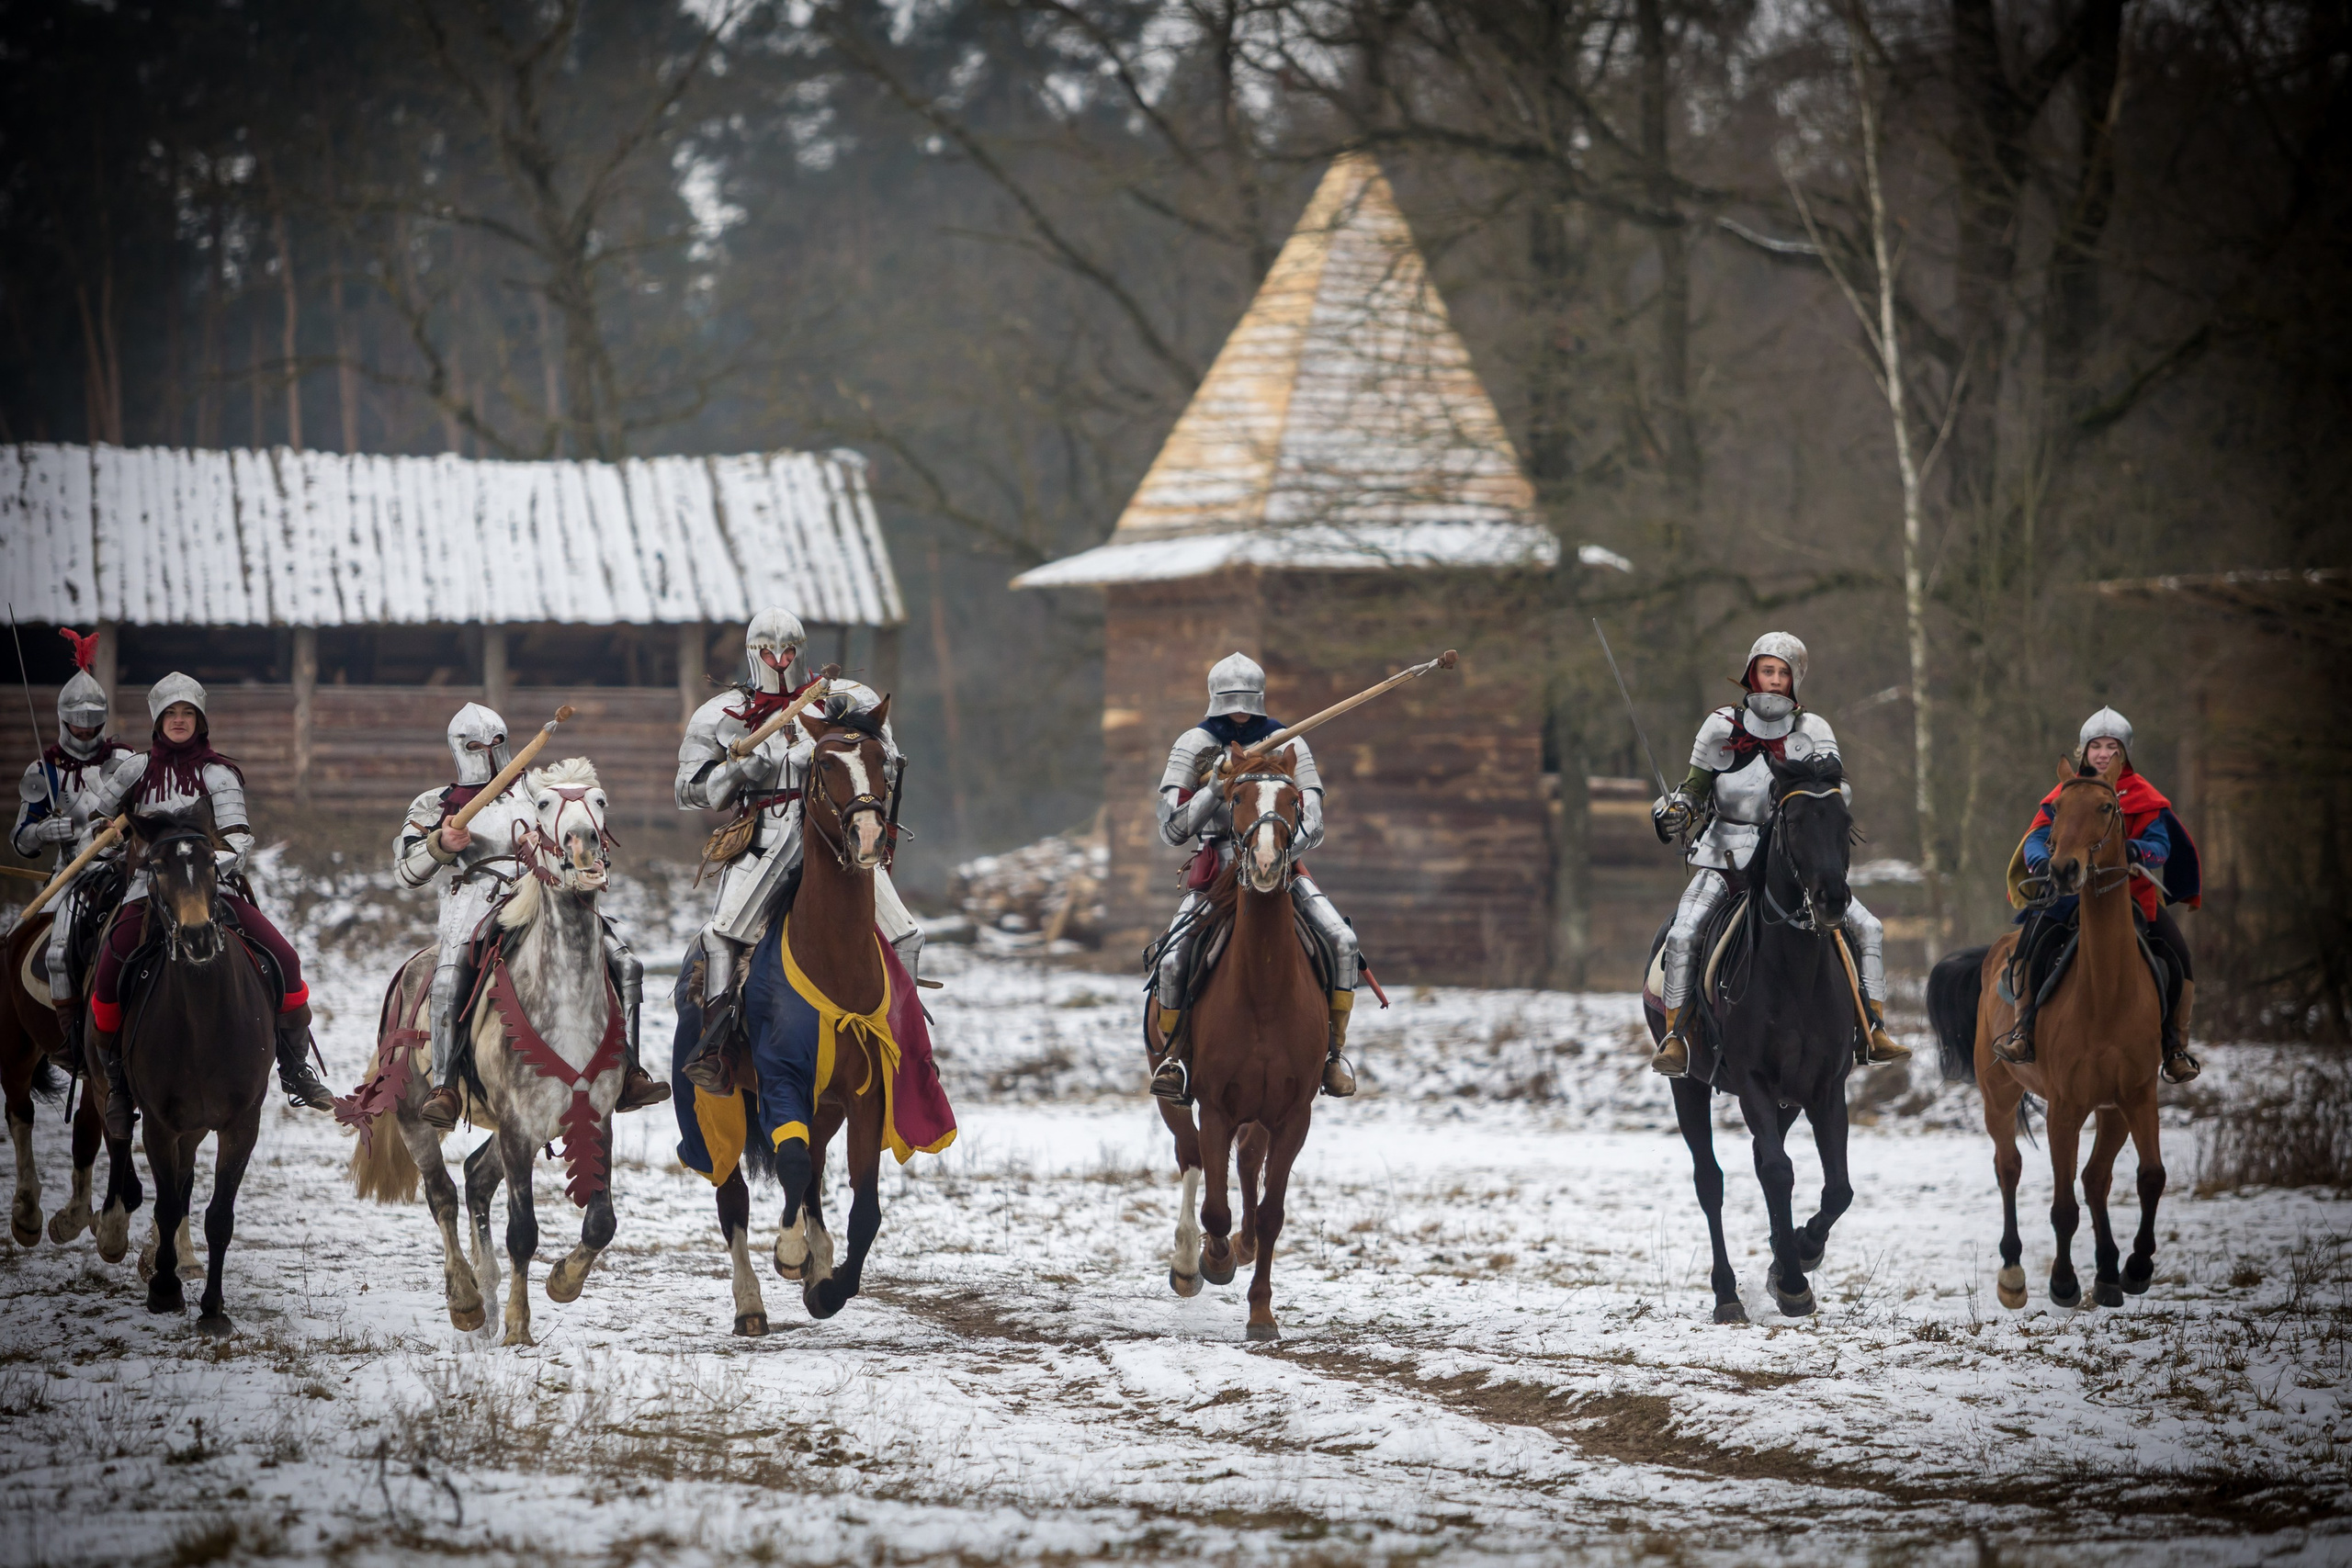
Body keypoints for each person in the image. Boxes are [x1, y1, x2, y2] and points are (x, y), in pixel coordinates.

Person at [673, 609, 920, 1094]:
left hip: (838, 837)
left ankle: (905, 1049)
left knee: (907, 936)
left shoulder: (849, 698)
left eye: (788, 651)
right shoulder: (720, 714)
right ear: (753, 654)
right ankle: (718, 1048)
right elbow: (689, 791)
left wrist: (847, 747)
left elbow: (887, 765)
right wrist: (741, 768)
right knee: (723, 935)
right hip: (764, 836)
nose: (780, 660)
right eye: (769, 652)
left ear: (803, 649)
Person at [398, 703, 671, 1133]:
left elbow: (572, 824)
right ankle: (447, 1087)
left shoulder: (535, 790)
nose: (487, 751)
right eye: (474, 745)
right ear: (457, 748)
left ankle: (630, 1073)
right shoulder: (434, 804)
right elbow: (405, 871)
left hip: (543, 895)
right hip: (473, 905)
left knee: (625, 962)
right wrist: (441, 843)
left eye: (497, 742)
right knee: (449, 980)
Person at [84, 673, 334, 1137]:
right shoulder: (132, 772)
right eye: (171, 715)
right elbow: (94, 831)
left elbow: (238, 840)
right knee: (107, 972)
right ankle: (117, 1082)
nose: (179, 722)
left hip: (213, 891)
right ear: (158, 720)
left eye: (188, 714)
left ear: (200, 720)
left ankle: (294, 1066)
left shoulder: (218, 775)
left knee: (285, 958)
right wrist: (110, 843)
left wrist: (198, 865)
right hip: (148, 891)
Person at [1649, 633, 1908, 1077]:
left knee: (1868, 926)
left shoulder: (1814, 731)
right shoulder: (1720, 726)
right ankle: (1678, 1038)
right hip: (1724, 859)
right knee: (1684, 931)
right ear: (1752, 672)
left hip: (1792, 867)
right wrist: (1675, 811)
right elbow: (1695, 789)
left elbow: (1834, 794)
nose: (1773, 681)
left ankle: (1872, 1030)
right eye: (1767, 670)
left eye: (1783, 673)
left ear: (1795, 680)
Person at [1147, 652, 1359, 1104]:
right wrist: (1213, 787)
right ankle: (1174, 1058)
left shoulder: (1287, 741)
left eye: (1246, 703)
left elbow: (1314, 823)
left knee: (1342, 941)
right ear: (1215, 701)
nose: (1239, 712)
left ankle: (1333, 1056)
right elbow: (1172, 829)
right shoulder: (1194, 744)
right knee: (1170, 961)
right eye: (1230, 703)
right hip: (1216, 872)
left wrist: (1275, 854)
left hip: (1279, 868)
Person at [2002, 706, 2202, 1084]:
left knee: (2178, 954)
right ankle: (2023, 1029)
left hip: (2130, 896)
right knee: (2031, 941)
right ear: (2083, 752)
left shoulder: (2146, 797)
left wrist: (2136, 851)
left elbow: (2161, 845)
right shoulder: (2065, 794)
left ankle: (2175, 1046)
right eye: (2097, 746)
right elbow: (2036, 838)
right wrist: (2044, 864)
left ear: (2124, 752)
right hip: (2067, 896)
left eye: (2113, 746)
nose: (2104, 753)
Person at [15, 628, 133, 1066]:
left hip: (123, 870)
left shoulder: (123, 760)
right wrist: (48, 831)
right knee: (60, 949)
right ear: (64, 719)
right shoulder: (43, 770)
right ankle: (68, 1037)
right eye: (78, 723)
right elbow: (20, 839)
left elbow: (145, 812)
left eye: (92, 723)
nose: (85, 731)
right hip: (71, 876)